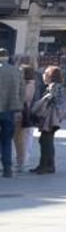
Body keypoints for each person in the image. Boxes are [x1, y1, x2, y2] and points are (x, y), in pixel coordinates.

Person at [29, 65, 66, 174]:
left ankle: (46, 166)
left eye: (45, 74)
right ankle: (47, 165)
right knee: (45, 140)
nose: (43, 76)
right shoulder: (57, 86)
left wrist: (38, 105)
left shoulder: (53, 86)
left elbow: (50, 100)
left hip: (50, 118)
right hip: (52, 118)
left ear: (50, 76)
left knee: (46, 141)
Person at [0, 48, 21, 178]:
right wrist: (19, 107)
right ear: (8, 57)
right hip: (9, 109)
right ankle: (7, 168)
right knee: (7, 140)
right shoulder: (16, 71)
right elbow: (22, 90)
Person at [14, 62, 35, 172]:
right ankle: (20, 162)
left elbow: (26, 98)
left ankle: (21, 163)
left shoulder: (28, 83)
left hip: (21, 113)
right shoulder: (27, 83)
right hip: (21, 112)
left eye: (20, 71)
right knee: (19, 139)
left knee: (19, 139)